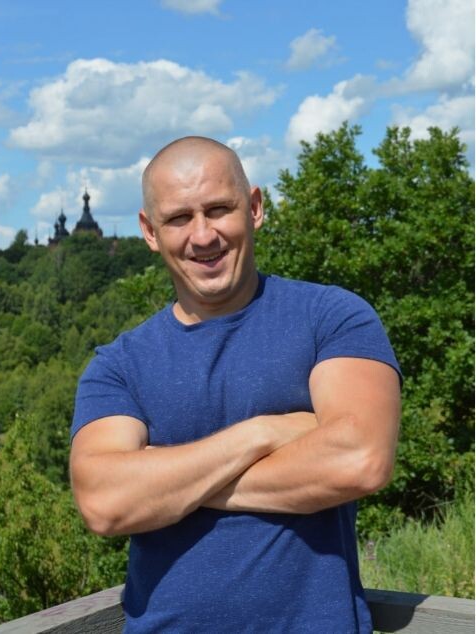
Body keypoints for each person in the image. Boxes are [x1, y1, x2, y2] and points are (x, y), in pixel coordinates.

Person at [70, 136, 401, 633]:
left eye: (219, 209)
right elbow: (104, 502)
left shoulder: (331, 317)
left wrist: (168, 483)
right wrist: (264, 433)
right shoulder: (119, 365)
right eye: (179, 218)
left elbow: (360, 459)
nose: (203, 236)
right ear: (150, 231)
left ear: (255, 208)